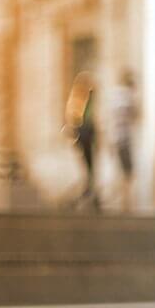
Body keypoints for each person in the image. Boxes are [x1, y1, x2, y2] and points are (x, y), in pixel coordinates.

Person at [64, 71, 99, 211]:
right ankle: (87, 191)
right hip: (83, 134)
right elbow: (75, 119)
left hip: (86, 135)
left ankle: (89, 191)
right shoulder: (79, 100)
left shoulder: (86, 100)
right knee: (87, 167)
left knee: (89, 167)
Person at [111, 69, 139, 212]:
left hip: (117, 138)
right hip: (123, 139)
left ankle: (124, 202)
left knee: (124, 172)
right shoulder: (125, 96)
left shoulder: (115, 95)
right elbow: (133, 114)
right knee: (127, 172)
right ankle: (125, 203)